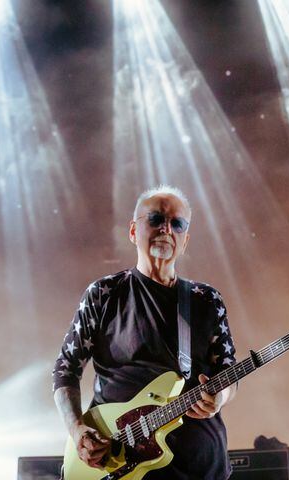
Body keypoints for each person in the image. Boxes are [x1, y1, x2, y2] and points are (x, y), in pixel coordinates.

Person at [52, 185, 237, 479]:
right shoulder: (103, 294)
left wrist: (221, 397)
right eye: (155, 219)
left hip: (199, 466)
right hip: (119, 464)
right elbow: (65, 369)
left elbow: (227, 372)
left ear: (185, 241)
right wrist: (77, 430)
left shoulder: (206, 300)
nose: (166, 228)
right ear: (133, 231)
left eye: (177, 224)